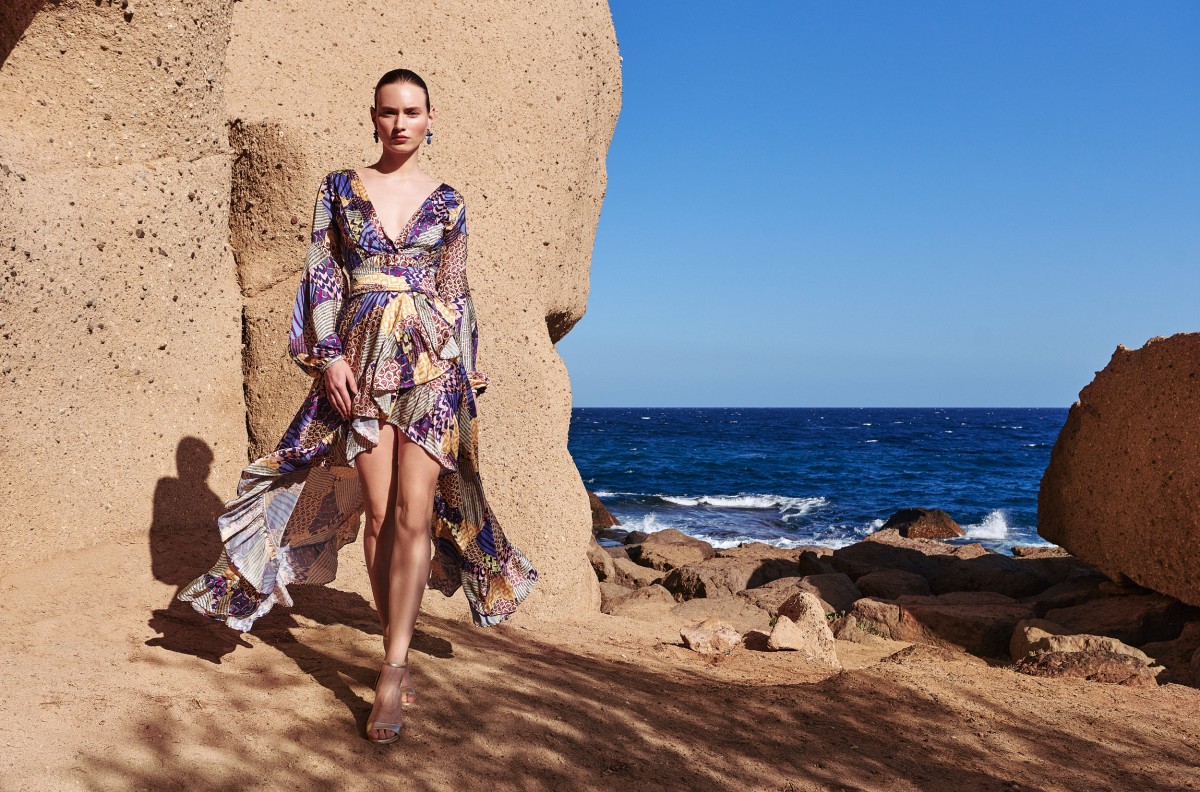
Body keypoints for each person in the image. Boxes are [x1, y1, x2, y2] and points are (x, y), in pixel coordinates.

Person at [178, 68, 538, 745]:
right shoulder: (340, 189)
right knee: (377, 515)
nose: (400, 123)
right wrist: (331, 357)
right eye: (389, 111)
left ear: (430, 118)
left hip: (432, 364)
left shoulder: (450, 201)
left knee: (413, 516)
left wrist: (467, 359)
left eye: (413, 111)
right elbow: (320, 273)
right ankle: (391, 627)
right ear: (373, 117)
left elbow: (456, 288)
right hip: (363, 362)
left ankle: (393, 670)